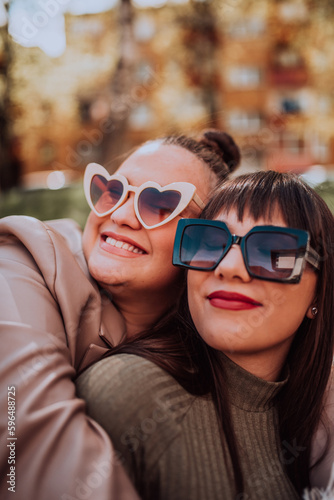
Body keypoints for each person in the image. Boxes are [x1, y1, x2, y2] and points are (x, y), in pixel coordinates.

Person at [0, 130, 240, 500]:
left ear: (203, 243)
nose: (122, 215)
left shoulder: (211, 339)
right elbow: (24, 442)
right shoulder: (25, 261)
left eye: (161, 204)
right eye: (113, 191)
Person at [76, 170, 334, 500]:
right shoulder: (128, 391)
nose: (228, 267)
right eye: (209, 243)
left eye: (272, 253)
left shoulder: (314, 427)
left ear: (318, 296)